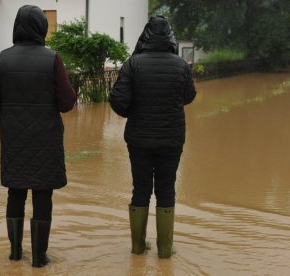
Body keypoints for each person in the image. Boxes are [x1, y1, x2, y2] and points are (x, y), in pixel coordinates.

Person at [0, 5, 76, 268]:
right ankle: (39, 258)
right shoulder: (52, 59)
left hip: (13, 139)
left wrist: (9, 127)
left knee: (15, 193)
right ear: (42, 28)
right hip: (46, 139)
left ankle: (15, 254)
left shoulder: (3, 59)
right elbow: (67, 102)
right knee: (42, 195)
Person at [109, 16, 196, 259]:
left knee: (141, 188)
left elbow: (120, 104)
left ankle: (138, 247)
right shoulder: (180, 65)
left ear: (146, 35)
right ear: (170, 37)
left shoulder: (133, 64)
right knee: (167, 189)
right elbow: (189, 97)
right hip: (171, 138)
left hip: (139, 140)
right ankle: (165, 249)